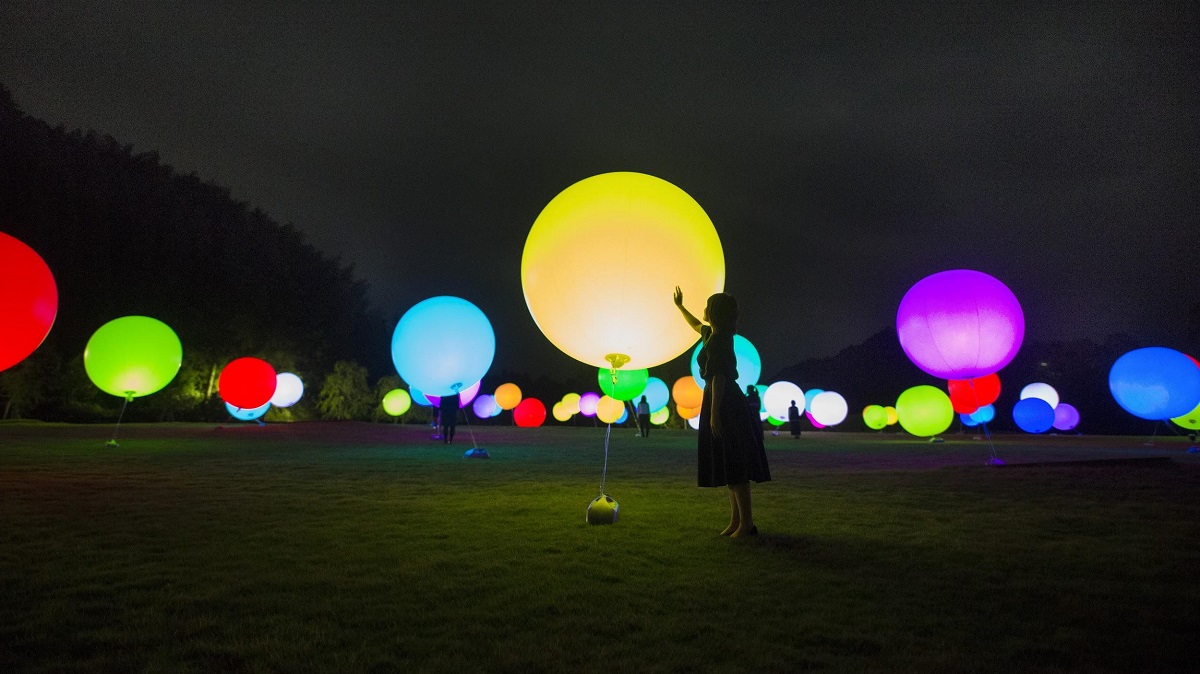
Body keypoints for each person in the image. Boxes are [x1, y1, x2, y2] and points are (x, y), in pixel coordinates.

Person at [674, 286, 770, 537]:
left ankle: (746, 524)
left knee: (735, 463)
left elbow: (718, 378)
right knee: (730, 464)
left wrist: (714, 414)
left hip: (725, 402)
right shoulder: (713, 335)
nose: (703, 310)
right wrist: (681, 307)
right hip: (721, 400)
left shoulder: (717, 341)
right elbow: (696, 325)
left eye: (707, 306)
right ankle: (737, 521)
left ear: (715, 313)